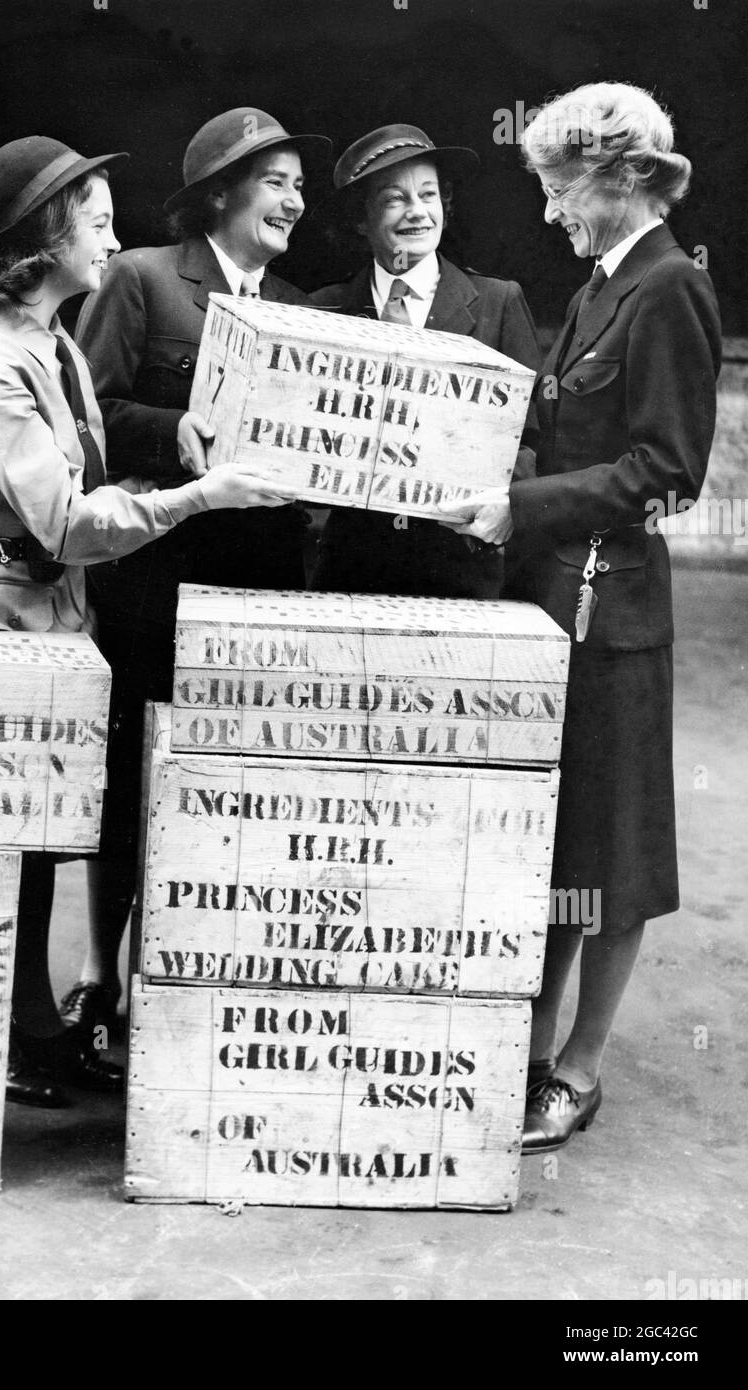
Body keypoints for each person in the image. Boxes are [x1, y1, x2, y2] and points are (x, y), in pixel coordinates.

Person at [0, 136, 295, 1107]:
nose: (116, 238)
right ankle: (4, 1034)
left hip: (53, 613)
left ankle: (31, 1027)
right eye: (97, 221)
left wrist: (171, 458)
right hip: (2, 617)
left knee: (42, 832)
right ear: (47, 238)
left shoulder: (55, 343)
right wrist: (199, 495)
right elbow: (66, 520)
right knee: (5, 835)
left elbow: (88, 484)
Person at [437, 83, 721, 1152]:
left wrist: (524, 504)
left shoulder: (667, 290)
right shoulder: (604, 286)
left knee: (616, 853)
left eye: (563, 185)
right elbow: (564, 434)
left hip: (614, 609)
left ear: (627, 177)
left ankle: (582, 1065)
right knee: (559, 845)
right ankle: (534, 1039)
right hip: (555, 598)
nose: (552, 207)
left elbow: (666, 467)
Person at [63, 109, 329, 1044]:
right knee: (131, 777)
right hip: (152, 574)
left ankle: (184, 990)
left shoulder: (297, 303)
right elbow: (85, 415)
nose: (295, 200)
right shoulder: (141, 276)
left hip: (256, 582)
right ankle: (100, 981)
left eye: (300, 185)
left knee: (215, 784)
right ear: (219, 193)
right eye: (276, 181)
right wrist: (166, 433)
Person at [310, 123, 541, 599]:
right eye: (395, 198)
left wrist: (494, 505)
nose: (417, 212)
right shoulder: (322, 311)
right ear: (360, 218)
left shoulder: (498, 303)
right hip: (349, 568)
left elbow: (532, 438)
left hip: (462, 568)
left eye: (429, 195)